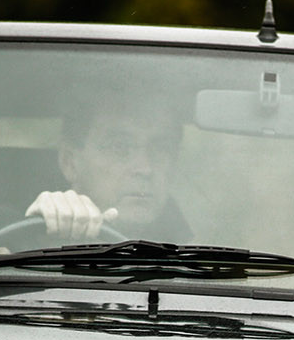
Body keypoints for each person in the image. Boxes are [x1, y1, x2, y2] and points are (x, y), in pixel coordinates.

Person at [23, 96, 193, 244]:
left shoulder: (198, 255)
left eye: (161, 148)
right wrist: (35, 238)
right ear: (70, 163)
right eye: (119, 147)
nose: (145, 168)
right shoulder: (21, 244)